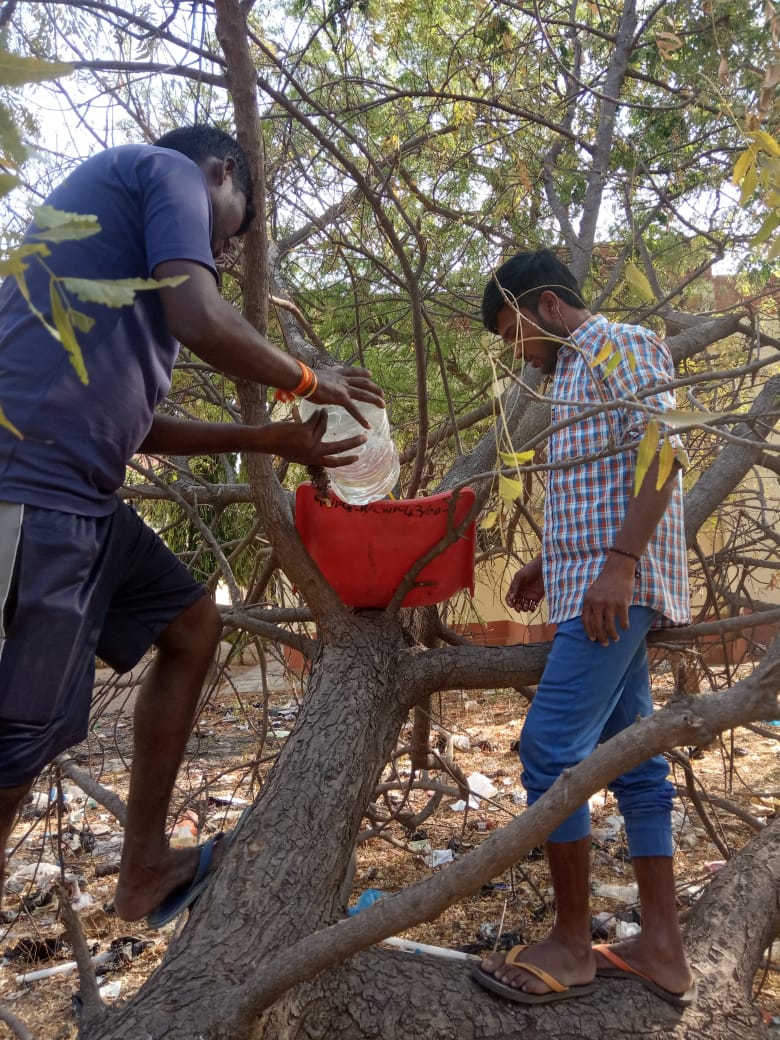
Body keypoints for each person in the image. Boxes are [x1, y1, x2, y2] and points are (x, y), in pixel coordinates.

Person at [0, 125, 385, 927]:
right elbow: (202, 317)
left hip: (86, 496)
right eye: (228, 231)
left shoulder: (121, 275)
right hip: (32, 492)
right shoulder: (167, 171)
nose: (222, 249)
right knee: (15, 742)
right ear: (221, 175)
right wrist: (310, 380)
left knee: (191, 621)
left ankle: (143, 868)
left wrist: (266, 439)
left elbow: (135, 427)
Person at [472, 249, 696, 1007]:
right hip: (593, 586)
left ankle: (571, 942)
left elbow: (664, 448)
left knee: (549, 748)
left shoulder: (621, 345)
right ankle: (662, 946)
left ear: (546, 305)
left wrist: (621, 564)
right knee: (635, 765)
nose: (515, 350)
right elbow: (598, 488)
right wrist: (550, 561)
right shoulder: (568, 380)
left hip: (615, 592)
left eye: (512, 331)